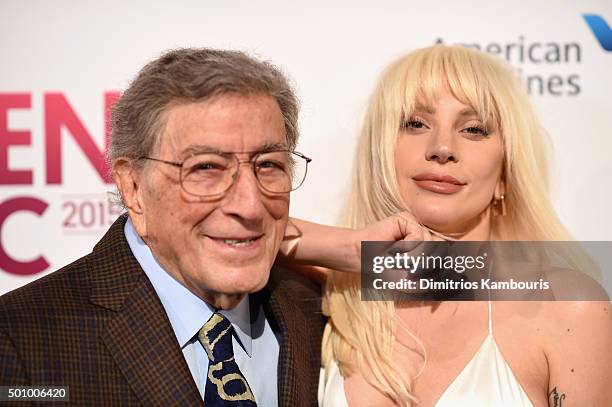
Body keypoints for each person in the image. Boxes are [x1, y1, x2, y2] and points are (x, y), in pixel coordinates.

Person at [283, 45, 612, 406]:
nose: (442, 148)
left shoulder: (565, 304)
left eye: (473, 129)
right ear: (381, 152)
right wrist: (352, 252)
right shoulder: (334, 288)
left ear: (504, 174)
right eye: (416, 123)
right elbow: (228, 231)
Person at [0, 48, 325, 406]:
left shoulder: (318, 306)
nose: (250, 206)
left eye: (267, 165)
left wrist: (354, 250)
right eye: (206, 168)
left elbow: (399, 280)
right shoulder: (18, 339)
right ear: (133, 187)